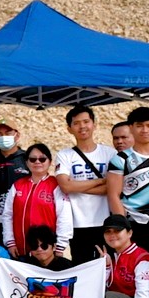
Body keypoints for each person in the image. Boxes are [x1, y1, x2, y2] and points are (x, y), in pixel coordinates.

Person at [106, 105, 149, 257]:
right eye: (139, 126)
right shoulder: (120, 159)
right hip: (132, 224)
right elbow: (113, 194)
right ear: (131, 128)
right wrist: (122, 227)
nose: (145, 130)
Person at [53, 106, 116, 262]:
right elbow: (65, 187)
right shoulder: (64, 155)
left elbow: (113, 187)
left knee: (107, 266)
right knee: (82, 268)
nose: (82, 126)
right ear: (69, 129)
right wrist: (101, 181)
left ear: (94, 124)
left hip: (106, 222)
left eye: (86, 121)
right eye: (76, 123)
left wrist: (76, 186)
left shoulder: (110, 153)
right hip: (78, 224)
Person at [1, 144, 73, 257]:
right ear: (27, 162)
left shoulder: (56, 185)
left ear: (49, 162)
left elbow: (64, 216)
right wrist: (10, 242)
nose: (37, 162)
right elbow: (7, 215)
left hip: (46, 251)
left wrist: (60, 246)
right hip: (21, 249)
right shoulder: (17, 185)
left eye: (42, 159)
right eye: (32, 159)